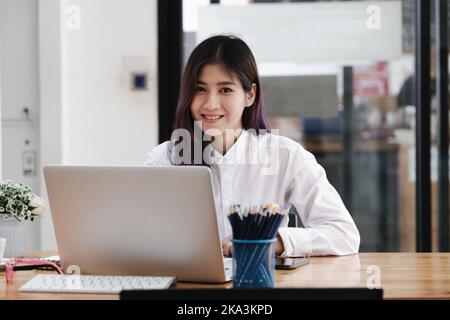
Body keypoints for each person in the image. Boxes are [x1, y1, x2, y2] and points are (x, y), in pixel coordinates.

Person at [145, 35, 360, 257]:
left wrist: (273, 243)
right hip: (186, 287)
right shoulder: (164, 159)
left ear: (250, 95)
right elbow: (139, 234)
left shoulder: (286, 155)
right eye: (200, 89)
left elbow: (344, 234)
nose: (210, 104)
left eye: (225, 90)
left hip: (260, 285)